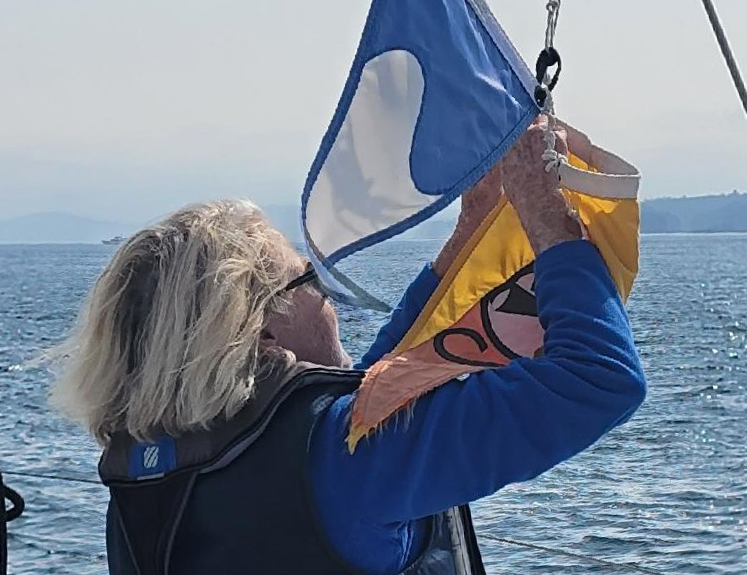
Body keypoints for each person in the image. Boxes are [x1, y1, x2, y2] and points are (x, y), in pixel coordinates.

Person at [51, 117, 646, 575]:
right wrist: (543, 210)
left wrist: (470, 232)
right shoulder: (350, 460)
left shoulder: (151, 464)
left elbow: (362, 401)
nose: (330, 296)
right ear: (258, 331)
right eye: (309, 280)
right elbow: (599, 378)